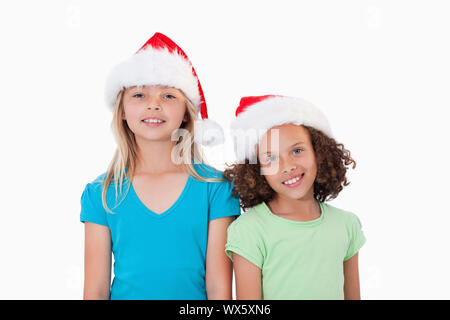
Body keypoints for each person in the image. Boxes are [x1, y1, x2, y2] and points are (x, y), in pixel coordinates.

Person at [80, 32, 240, 300]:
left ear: (187, 111)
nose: (153, 105)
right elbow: (95, 291)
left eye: (168, 96)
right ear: (121, 111)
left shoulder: (215, 188)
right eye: (140, 94)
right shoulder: (101, 193)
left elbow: (219, 289)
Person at [223, 94, 366, 299]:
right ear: (256, 168)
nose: (288, 166)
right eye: (270, 158)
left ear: (319, 152)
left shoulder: (346, 224)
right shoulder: (249, 230)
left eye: (297, 150)